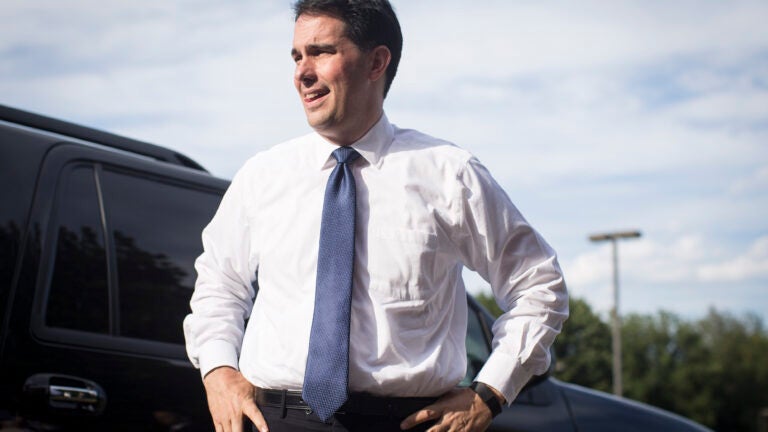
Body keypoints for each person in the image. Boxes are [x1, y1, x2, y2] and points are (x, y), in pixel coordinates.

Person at [183, 1, 568, 431]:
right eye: (296, 56)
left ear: (376, 62)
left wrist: (490, 393)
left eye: (321, 52)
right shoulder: (262, 175)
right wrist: (218, 371)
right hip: (276, 420)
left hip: (408, 422)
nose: (302, 73)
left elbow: (538, 284)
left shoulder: (449, 174)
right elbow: (218, 285)